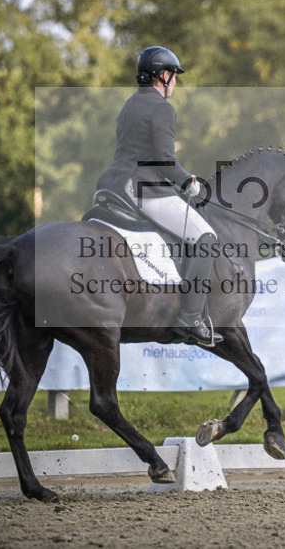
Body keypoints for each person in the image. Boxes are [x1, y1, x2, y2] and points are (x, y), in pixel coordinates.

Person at [96, 46, 222, 345]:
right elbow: (164, 160)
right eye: (174, 76)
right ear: (163, 75)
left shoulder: (129, 104)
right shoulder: (162, 108)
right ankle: (191, 318)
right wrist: (187, 182)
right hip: (143, 189)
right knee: (205, 237)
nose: (175, 82)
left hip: (114, 183)